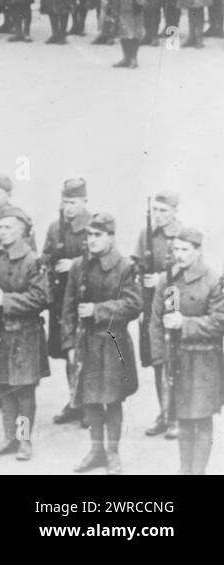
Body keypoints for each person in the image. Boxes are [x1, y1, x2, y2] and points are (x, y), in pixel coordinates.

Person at [61, 212, 140, 475]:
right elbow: (68, 308)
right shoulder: (78, 266)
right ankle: (96, 451)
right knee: (91, 400)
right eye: (89, 235)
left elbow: (133, 304)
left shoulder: (125, 266)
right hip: (86, 343)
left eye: (97, 235)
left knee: (113, 399)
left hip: (113, 342)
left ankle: (113, 452)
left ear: (110, 237)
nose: (91, 240)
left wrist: (98, 309)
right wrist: (70, 344)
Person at [0, 205, 49, 461]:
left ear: (21, 230)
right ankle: (9, 437)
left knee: (24, 390)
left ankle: (24, 439)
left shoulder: (32, 260)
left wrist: (5, 300)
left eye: (8, 227)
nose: (3, 232)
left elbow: (41, 298)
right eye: (0, 227)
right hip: (0, 334)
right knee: (4, 386)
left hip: (25, 334)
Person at [150, 227, 224, 474]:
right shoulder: (169, 280)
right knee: (182, 417)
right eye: (176, 249)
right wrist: (159, 355)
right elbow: (156, 319)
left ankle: (198, 470)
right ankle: (185, 470)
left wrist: (186, 323)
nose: (179, 255)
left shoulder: (214, 280)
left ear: (198, 251)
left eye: (185, 250)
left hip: (204, 358)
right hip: (177, 358)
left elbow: (219, 322)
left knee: (201, 419)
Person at [43, 178, 91, 425]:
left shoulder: (93, 227)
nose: (68, 207)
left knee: (85, 351)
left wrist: (74, 265)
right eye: (65, 202)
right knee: (68, 350)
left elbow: (101, 259)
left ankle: (88, 404)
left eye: (73, 202)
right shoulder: (55, 228)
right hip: (61, 300)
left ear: (84, 201)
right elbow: (46, 257)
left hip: (84, 297)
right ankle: (74, 400)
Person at [137, 190, 183, 438]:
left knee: (174, 360)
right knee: (156, 360)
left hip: (174, 301)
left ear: (175, 211)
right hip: (150, 305)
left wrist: (161, 279)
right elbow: (136, 265)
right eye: (155, 210)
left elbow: (187, 265)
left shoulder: (182, 235)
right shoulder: (146, 234)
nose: (158, 215)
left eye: (164, 210)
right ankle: (164, 412)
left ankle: (176, 415)